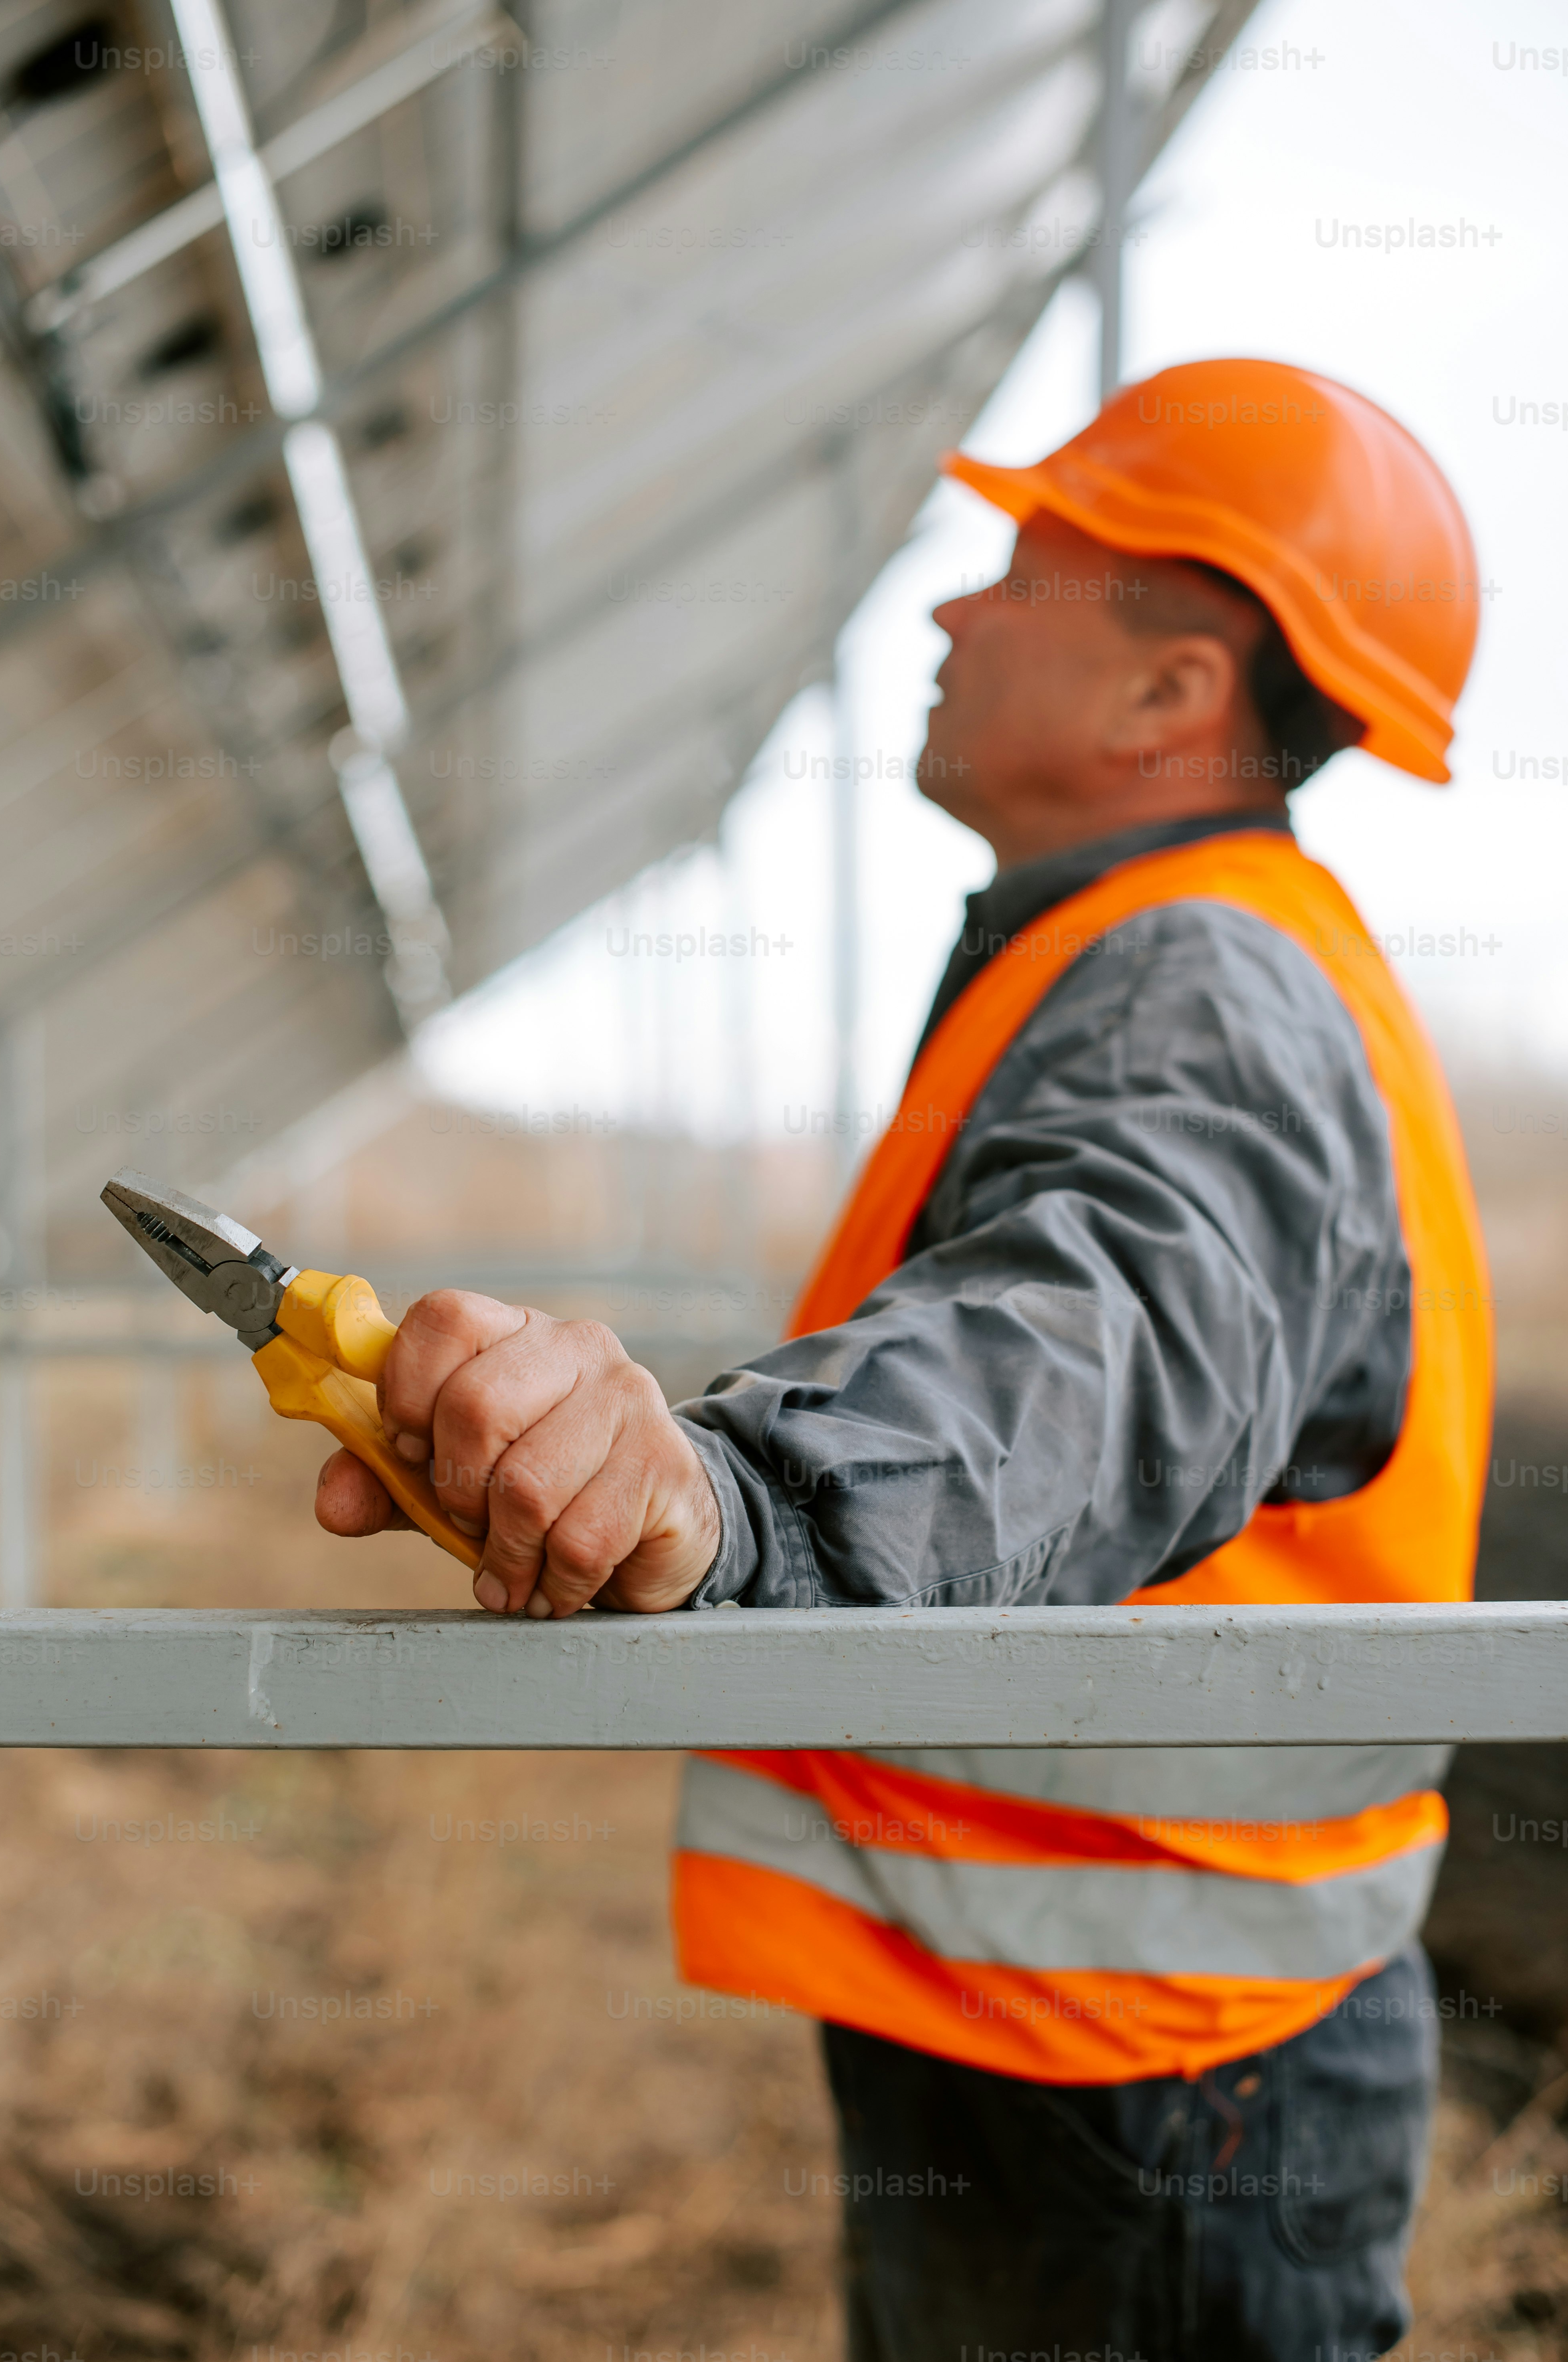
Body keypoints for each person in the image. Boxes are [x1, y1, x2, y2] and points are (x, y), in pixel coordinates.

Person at [315, 358, 1493, 2362]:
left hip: (1147, 2074)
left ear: (1167, 695)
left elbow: (1098, 1338)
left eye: (1027, 570)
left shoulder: (1197, 975)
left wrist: (737, 1494)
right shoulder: (1135, 950)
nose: (951, 612)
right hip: (1102, 2023)